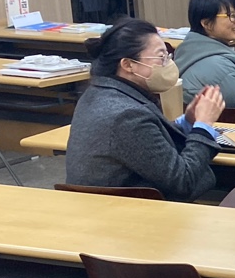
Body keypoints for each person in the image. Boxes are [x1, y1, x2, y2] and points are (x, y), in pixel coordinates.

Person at [66, 19, 226, 201]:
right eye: (161, 57)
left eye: (168, 56)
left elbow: (147, 143)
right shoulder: (126, 116)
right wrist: (203, 126)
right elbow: (183, 180)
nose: (168, 64)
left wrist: (187, 122)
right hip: (123, 210)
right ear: (128, 65)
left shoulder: (98, 92)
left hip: (102, 202)